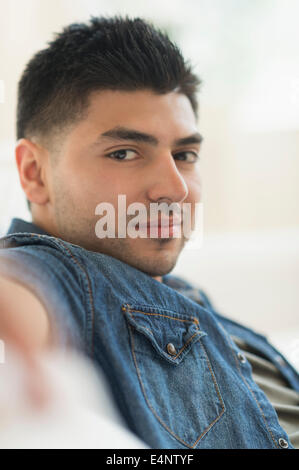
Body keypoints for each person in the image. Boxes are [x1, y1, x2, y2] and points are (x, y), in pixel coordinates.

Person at [0, 15, 298, 450]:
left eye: (185, 154)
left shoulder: (189, 300)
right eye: (124, 153)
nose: (174, 188)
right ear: (34, 173)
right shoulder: (56, 273)